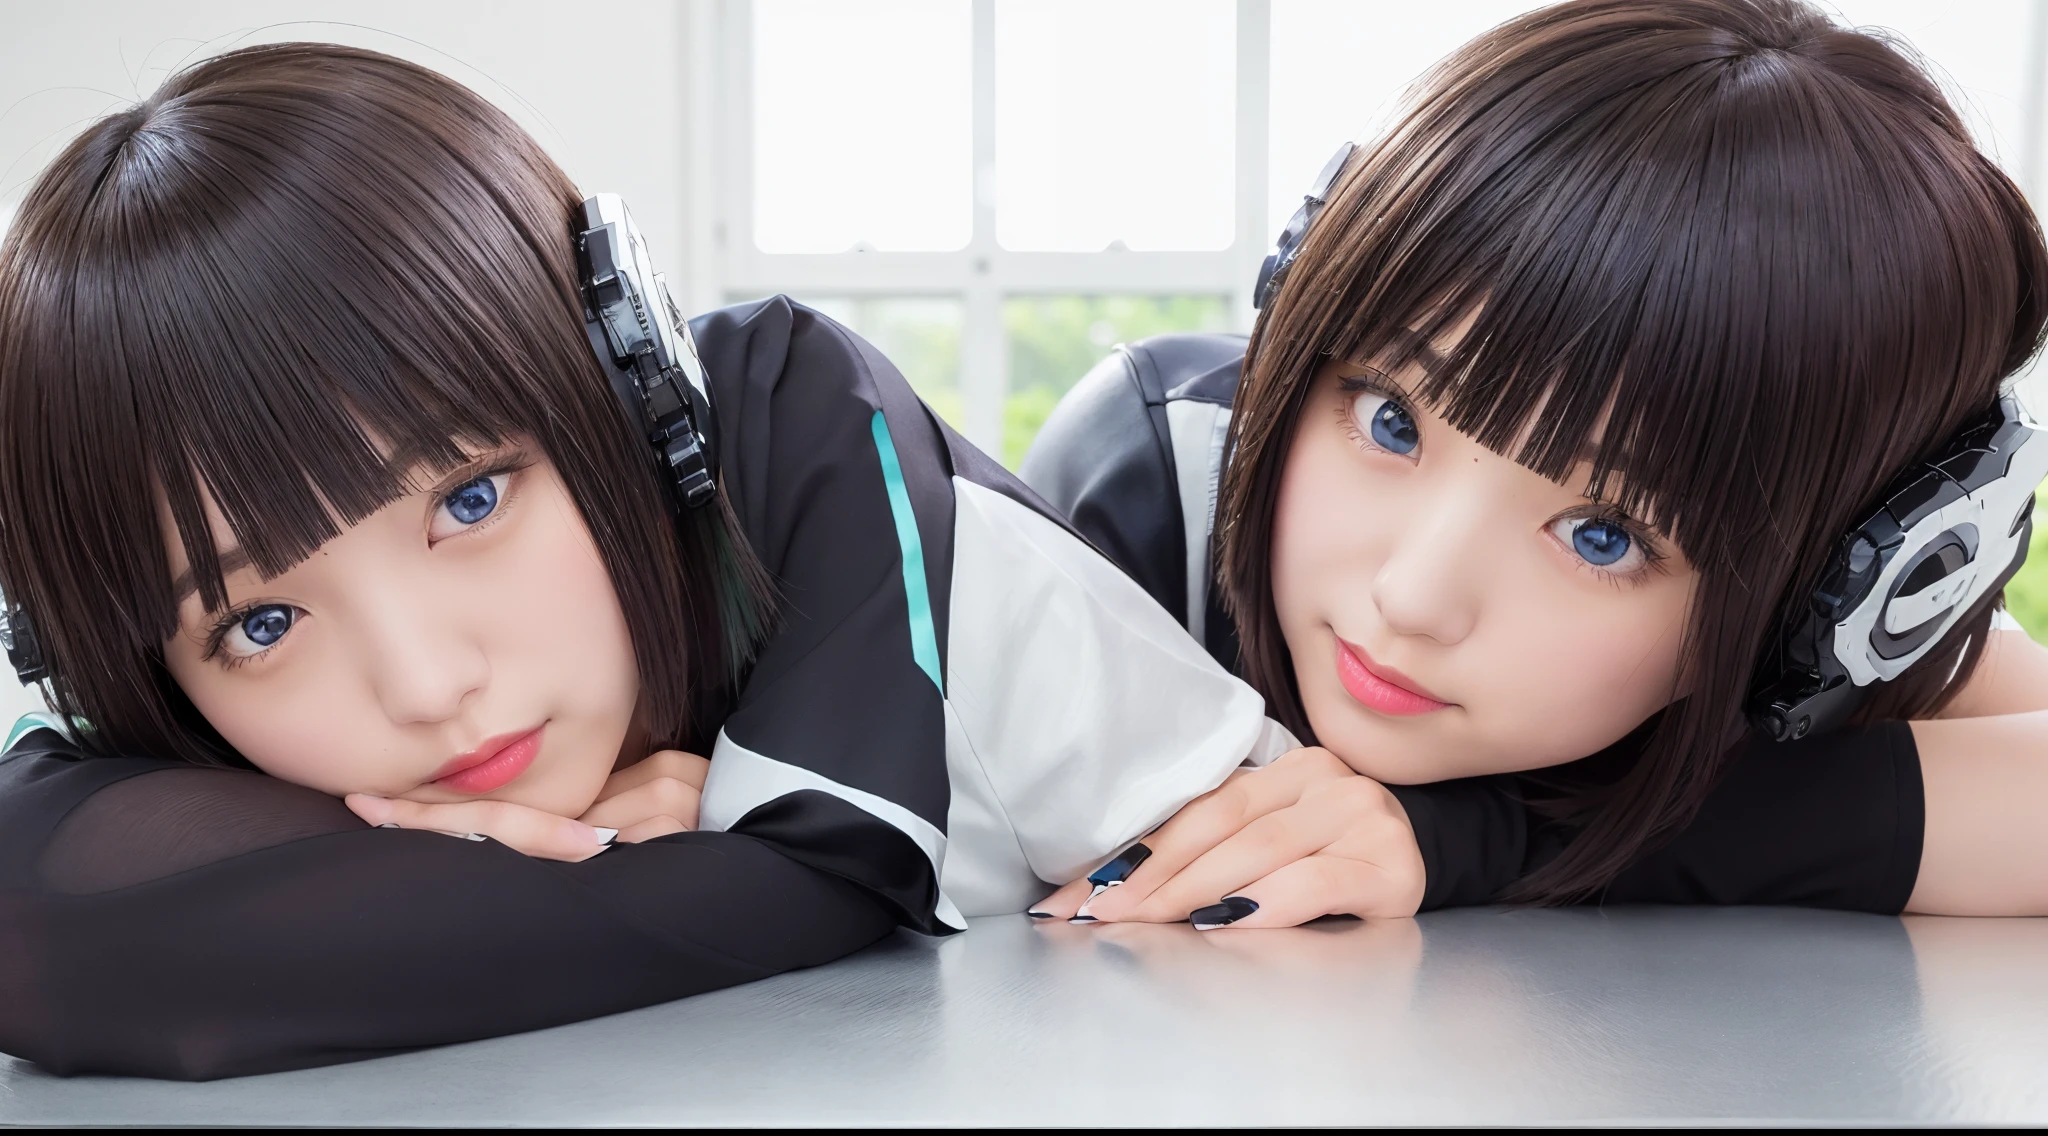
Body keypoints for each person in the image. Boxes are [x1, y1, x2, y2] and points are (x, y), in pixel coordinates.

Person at [0, 43, 1296, 1078]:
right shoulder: (192, 717)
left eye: (469, 499)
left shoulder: (817, 454)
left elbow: (838, 870)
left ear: (631, 391)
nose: (427, 685)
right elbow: (41, 928)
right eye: (262, 624)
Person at [1021, 0, 2048, 930]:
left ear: (1819, 611)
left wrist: (1478, 834)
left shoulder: (1816, 647)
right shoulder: (1158, 474)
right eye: (1390, 420)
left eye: (1602, 532)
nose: (1413, 596)